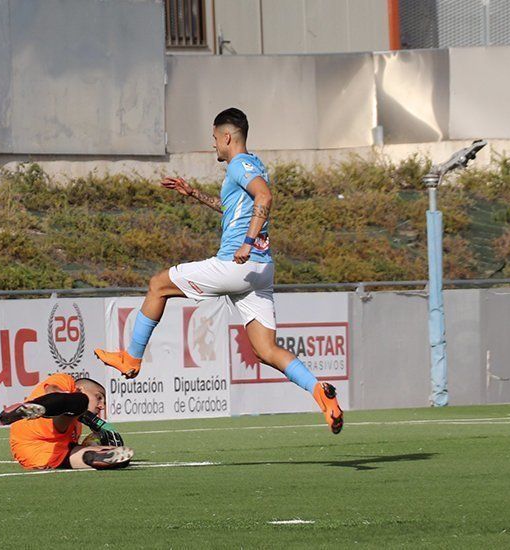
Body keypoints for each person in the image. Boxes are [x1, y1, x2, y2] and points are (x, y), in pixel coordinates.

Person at [95, 107, 343, 434]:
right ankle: (319, 391)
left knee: (158, 285)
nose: (213, 145)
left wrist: (248, 241)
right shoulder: (253, 164)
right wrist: (192, 193)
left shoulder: (239, 165)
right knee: (265, 350)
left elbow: (264, 198)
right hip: (260, 271)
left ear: (227, 137)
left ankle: (132, 358)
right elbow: (234, 208)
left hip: (237, 263)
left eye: (214, 138)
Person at [0, 373, 132, 469]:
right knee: (80, 401)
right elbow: (51, 390)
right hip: (34, 429)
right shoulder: (67, 381)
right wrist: (64, 395)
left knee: (121, 456)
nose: (102, 406)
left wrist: (94, 443)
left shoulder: (77, 425)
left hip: (40, 456)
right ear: (80, 388)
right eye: (98, 397)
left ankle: (89, 457)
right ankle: (30, 408)